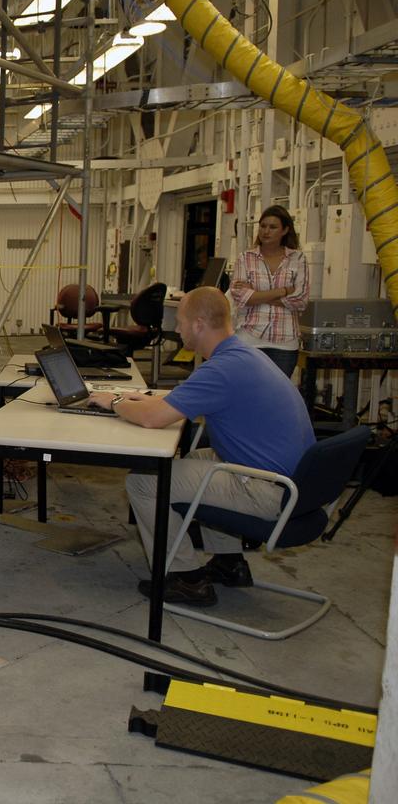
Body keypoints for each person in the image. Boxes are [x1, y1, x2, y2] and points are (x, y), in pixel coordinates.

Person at [89, 287, 315, 607]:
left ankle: (185, 579)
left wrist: (113, 402)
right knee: (197, 458)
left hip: (270, 491)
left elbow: (154, 420)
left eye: (180, 322)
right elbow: (183, 401)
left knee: (144, 481)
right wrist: (140, 399)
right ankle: (229, 563)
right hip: (293, 483)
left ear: (197, 324)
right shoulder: (243, 355)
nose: (177, 329)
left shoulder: (221, 369)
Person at [227, 205, 310, 377]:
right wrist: (283, 290)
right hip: (250, 337)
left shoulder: (298, 259)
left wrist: (256, 295)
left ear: (285, 230)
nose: (266, 231)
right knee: (248, 391)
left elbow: (301, 300)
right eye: (263, 226)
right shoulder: (245, 258)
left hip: (285, 341)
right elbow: (240, 296)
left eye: (273, 227)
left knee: (276, 395)